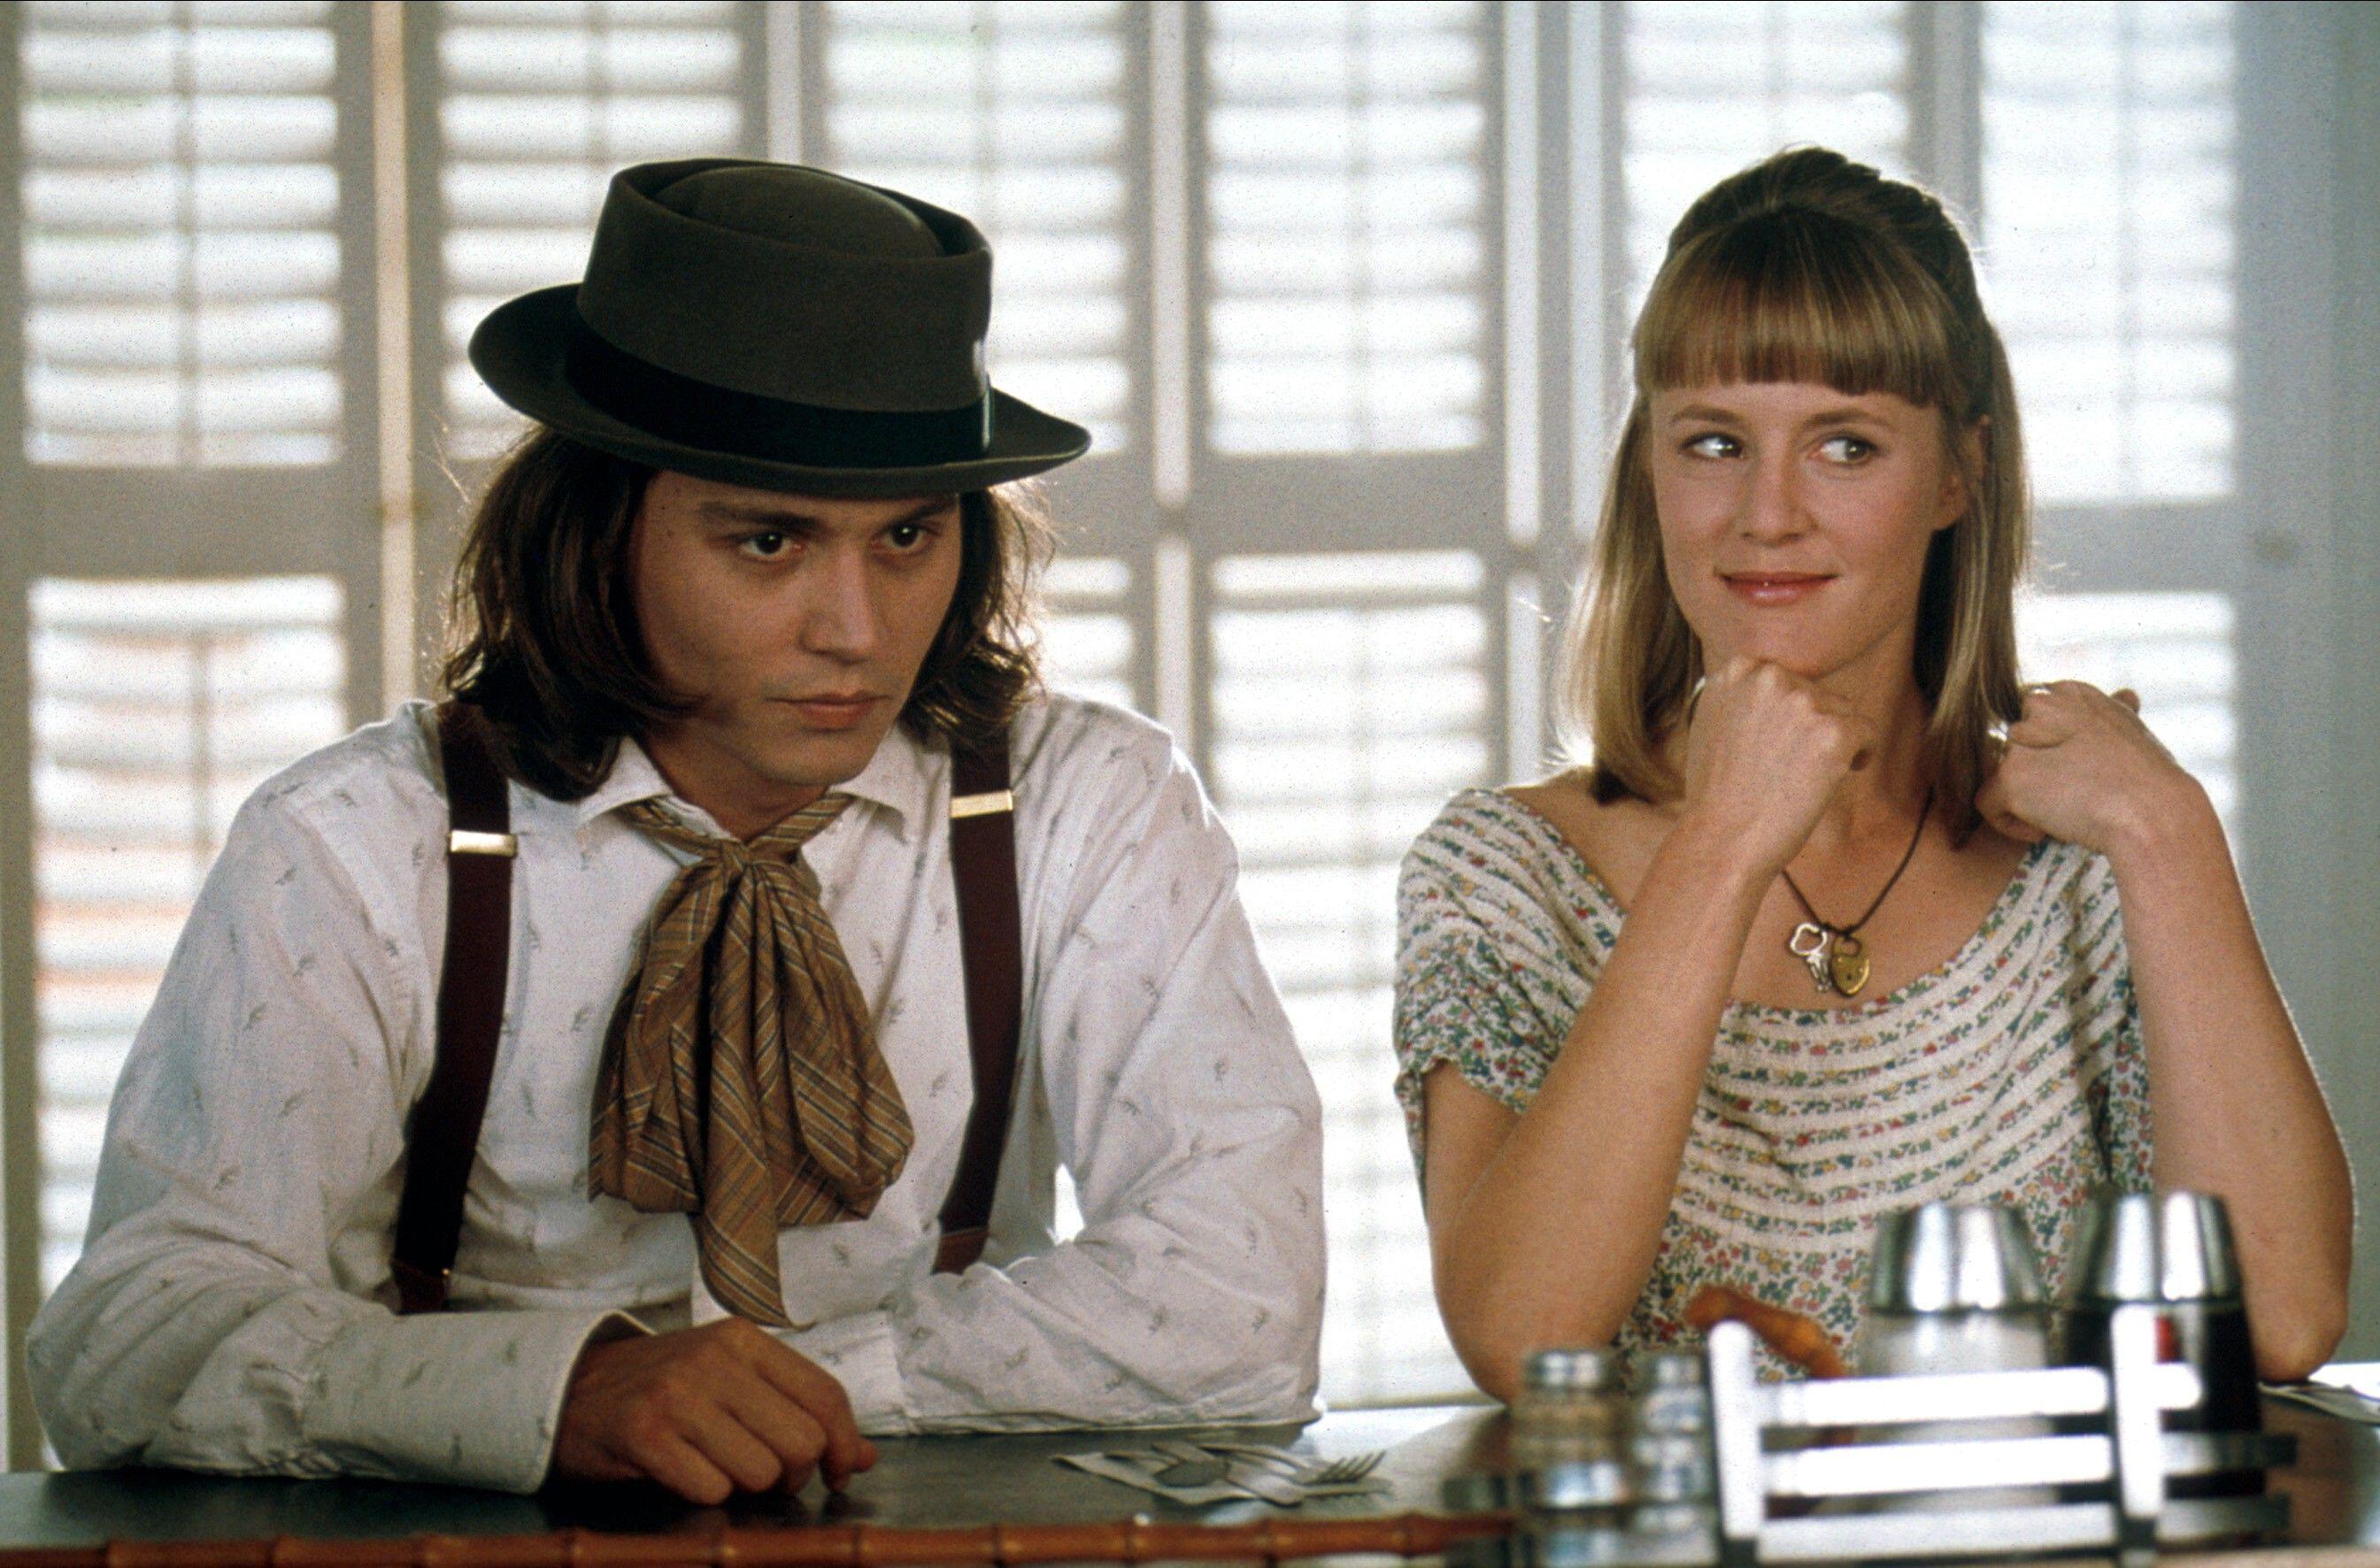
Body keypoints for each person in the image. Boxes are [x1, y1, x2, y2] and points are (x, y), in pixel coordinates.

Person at [29, 158, 1325, 1501]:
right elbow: (129, 1340)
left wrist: (797, 1383)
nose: (855, 629)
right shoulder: (361, 841)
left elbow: (1240, 1304)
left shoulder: (1083, 803)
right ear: (597, 531)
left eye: (906, 538)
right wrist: (550, 1393)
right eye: (768, 542)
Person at [1392, 147, 2350, 1400]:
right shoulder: (1502, 873)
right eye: (1714, 441)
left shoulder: (2086, 865)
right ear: (1648, 470)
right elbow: (1528, 1342)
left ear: (1959, 474)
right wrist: (1720, 850)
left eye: (1845, 447)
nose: (1766, 514)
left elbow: (2275, 1321)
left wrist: (2167, 832)